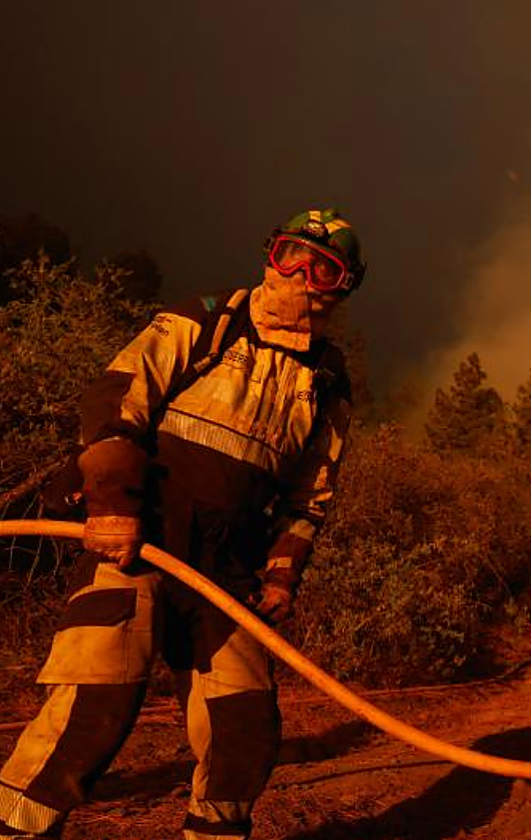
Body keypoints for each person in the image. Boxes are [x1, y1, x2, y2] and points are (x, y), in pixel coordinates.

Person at [0, 208, 363, 840]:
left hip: (227, 573)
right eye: (289, 255)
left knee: (243, 726)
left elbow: (312, 499)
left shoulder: (328, 382)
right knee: (94, 706)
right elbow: (116, 397)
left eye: (321, 267)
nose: (299, 275)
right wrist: (112, 504)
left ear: (343, 285)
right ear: (268, 257)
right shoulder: (206, 322)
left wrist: (281, 575)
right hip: (137, 544)